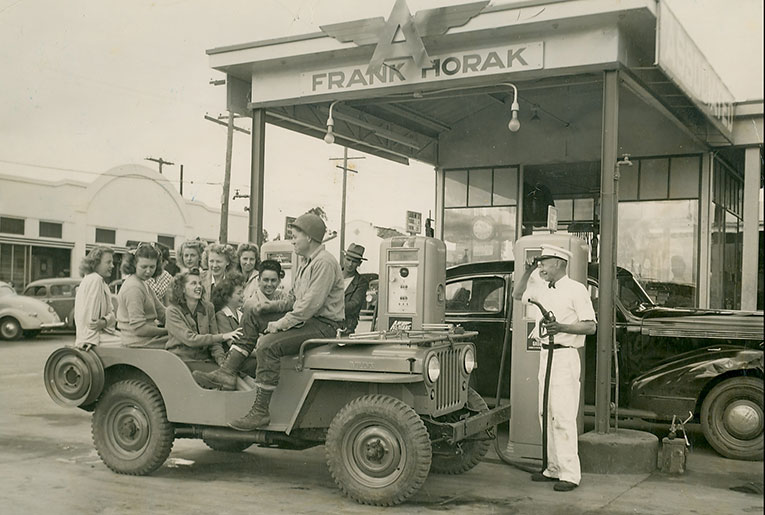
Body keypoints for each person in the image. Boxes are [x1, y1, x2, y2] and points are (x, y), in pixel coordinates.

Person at [228, 213, 344, 430]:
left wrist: (278, 325)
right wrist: (267, 308)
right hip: (310, 320)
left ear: (309, 238)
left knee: (267, 345)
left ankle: (260, 411)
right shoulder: (306, 262)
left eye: (295, 236)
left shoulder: (324, 263)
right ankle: (228, 371)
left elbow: (308, 307)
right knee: (253, 312)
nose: (292, 241)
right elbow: (292, 299)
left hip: (323, 326)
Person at [512, 244, 596, 492]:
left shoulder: (576, 289)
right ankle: (552, 468)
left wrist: (561, 327)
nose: (541, 266)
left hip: (565, 357)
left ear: (559, 262)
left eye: (545, 262)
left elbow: (590, 326)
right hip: (545, 356)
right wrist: (528, 272)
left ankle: (570, 475)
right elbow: (518, 295)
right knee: (545, 413)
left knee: (562, 415)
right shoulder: (543, 287)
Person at [193, 259, 293, 390]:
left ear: (279, 281)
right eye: (265, 280)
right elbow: (235, 343)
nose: (243, 296)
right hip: (244, 355)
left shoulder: (279, 299)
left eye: (273, 280)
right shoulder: (247, 308)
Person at [165, 269, 242, 367]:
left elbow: (215, 343)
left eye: (200, 283)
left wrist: (221, 361)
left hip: (204, 359)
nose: (199, 287)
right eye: (193, 283)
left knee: (233, 375)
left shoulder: (208, 307)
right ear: (182, 289)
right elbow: (190, 340)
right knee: (226, 381)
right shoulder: (172, 311)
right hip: (182, 361)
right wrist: (223, 336)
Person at [117, 243, 169, 347]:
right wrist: (168, 331)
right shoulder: (134, 288)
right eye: (144, 267)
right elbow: (139, 328)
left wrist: (182, 322)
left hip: (146, 339)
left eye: (152, 267)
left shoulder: (143, 283)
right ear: (134, 265)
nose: (148, 271)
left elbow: (162, 313)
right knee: (183, 344)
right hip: (137, 341)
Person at [73, 246, 120, 347]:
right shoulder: (95, 280)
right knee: (130, 343)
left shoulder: (98, 281)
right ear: (95, 263)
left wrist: (104, 322)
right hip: (93, 339)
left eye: (112, 262)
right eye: (108, 262)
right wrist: (89, 341)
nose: (112, 266)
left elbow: (112, 314)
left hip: (96, 336)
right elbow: (91, 319)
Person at [341, 243, 369, 335]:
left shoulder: (361, 282)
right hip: (326, 321)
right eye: (348, 259)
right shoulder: (333, 275)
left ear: (359, 263)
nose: (350, 264)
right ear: (344, 258)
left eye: (354, 262)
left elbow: (354, 305)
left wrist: (330, 308)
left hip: (346, 325)